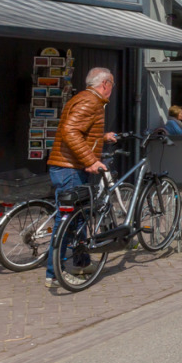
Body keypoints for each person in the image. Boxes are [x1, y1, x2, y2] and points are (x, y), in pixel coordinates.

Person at [44, 67, 117, 285]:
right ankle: (54, 273)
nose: (112, 90)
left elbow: (80, 130)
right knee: (66, 221)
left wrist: (102, 137)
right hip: (70, 168)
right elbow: (70, 131)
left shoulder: (84, 98)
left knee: (79, 218)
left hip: (70, 166)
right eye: (112, 85)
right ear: (105, 84)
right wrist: (91, 161)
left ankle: (82, 263)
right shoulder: (91, 101)